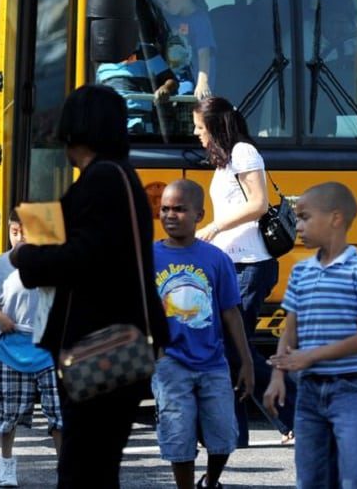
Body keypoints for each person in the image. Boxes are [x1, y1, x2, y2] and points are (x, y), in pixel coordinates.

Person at [10, 84, 170, 489]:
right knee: (96, 464)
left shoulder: (103, 179)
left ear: (76, 127)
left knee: (83, 467)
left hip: (99, 344)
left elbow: (84, 256)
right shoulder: (119, 176)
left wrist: (26, 257)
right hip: (119, 339)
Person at [264, 182, 357, 488]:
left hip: (353, 388)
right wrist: (278, 376)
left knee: (356, 477)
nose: (299, 226)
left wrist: (310, 356)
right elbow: (289, 331)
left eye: (305, 218)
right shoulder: (301, 272)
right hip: (308, 393)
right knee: (311, 479)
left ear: (336, 219)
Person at [192, 96, 296, 445]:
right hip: (229, 265)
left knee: (233, 348)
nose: (196, 134)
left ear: (217, 126)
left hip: (251, 265)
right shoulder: (224, 160)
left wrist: (214, 227)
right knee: (230, 348)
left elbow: (259, 203)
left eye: (200, 127)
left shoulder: (243, 153)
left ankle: (296, 415)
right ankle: (236, 431)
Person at [153, 179, 254, 489]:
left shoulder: (216, 259)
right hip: (170, 362)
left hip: (212, 362)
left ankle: (210, 481)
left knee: (224, 433)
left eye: (180, 209)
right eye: (165, 209)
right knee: (178, 433)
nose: (170, 215)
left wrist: (246, 362)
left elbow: (230, 312)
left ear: (200, 214)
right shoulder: (148, 257)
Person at [0, 209, 62, 488]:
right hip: (9, 350)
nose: (21, 238)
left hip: (49, 349)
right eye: (16, 233)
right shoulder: (0, 265)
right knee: (7, 412)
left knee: (59, 413)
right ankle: (5, 460)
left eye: (28, 232)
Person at [154, 0, 216, 100]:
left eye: (167, 2)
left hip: (195, 82)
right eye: (162, 5)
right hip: (174, 81)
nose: (164, 8)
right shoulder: (170, 20)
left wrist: (203, 82)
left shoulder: (200, 20)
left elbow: (204, 52)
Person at [97, 41, 180, 134]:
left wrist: (165, 88)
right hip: (109, 123)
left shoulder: (146, 51)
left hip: (141, 123)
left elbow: (172, 80)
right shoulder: (102, 54)